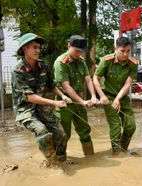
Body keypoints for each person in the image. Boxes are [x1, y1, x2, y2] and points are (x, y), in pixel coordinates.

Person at [12, 33, 71, 167]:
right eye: (34, 47)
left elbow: (52, 85)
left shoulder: (43, 67)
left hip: (42, 108)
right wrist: (54, 102)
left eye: (39, 47)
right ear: (24, 49)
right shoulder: (18, 71)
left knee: (61, 134)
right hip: (26, 109)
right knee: (42, 131)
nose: (38, 50)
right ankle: (53, 164)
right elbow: (29, 97)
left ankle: (62, 161)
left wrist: (63, 96)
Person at [53, 35, 98, 156]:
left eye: (81, 51)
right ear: (69, 46)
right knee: (64, 134)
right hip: (65, 102)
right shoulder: (60, 63)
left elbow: (88, 80)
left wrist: (93, 96)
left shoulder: (81, 62)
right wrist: (82, 101)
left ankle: (90, 157)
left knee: (85, 131)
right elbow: (66, 87)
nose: (79, 53)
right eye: (76, 50)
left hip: (79, 100)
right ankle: (59, 161)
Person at [93, 37, 138, 155]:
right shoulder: (106, 60)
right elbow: (96, 79)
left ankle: (123, 149)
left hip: (122, 97)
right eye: (122, 51)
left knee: (131, 125)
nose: (125, 54)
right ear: (116, 48)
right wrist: (102, 96)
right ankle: (117, 154)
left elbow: (128, 83)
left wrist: (118, 99)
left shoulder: (133, 64)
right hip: (108, 97)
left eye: (128, 51)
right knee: (116, 127)